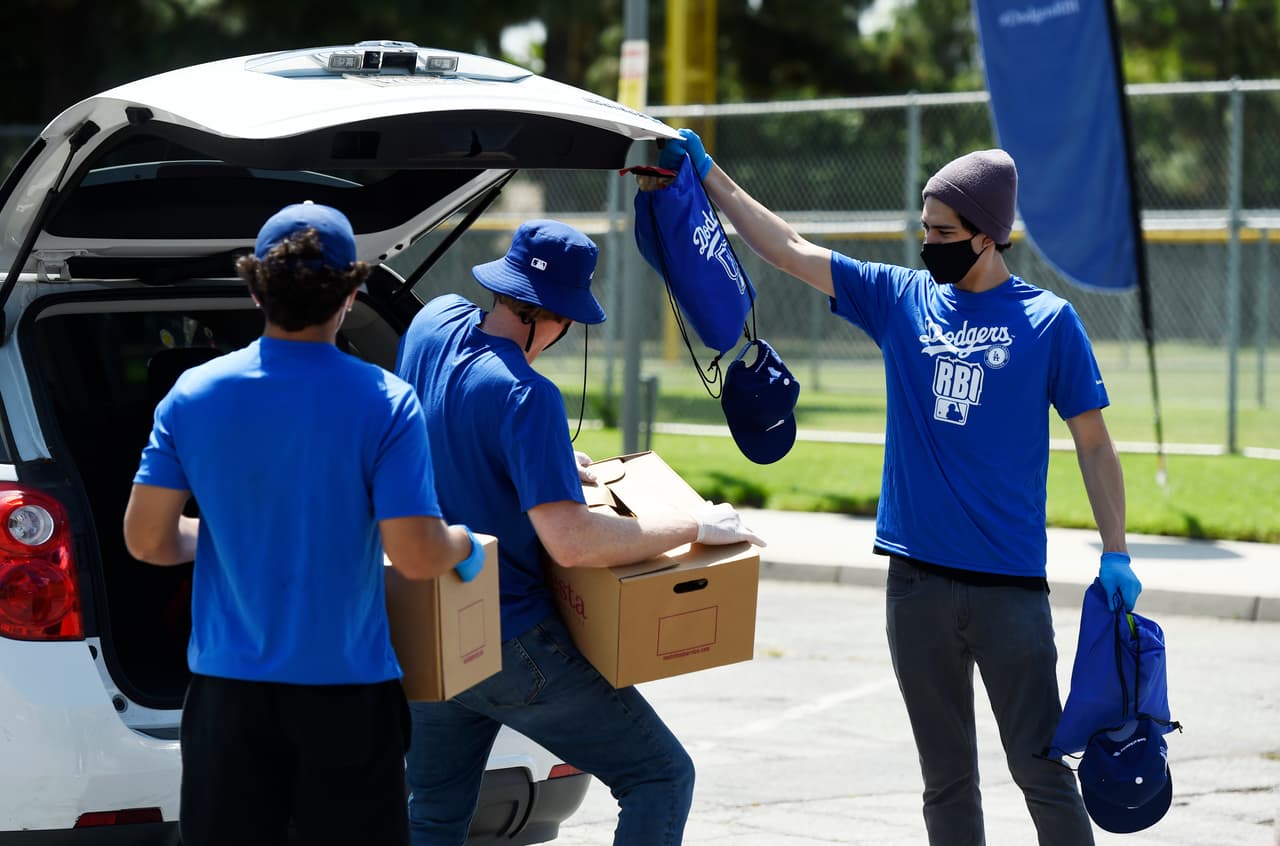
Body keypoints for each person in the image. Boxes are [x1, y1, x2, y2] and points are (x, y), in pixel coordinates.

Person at [654, 131, 1142, 846]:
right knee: (946, 783)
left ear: (988, 237)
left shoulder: (1048, 323)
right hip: (915, 587)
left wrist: (1117, 551)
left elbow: (1094, 444)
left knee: (1040, 769)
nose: (927, 244)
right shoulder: (900, 299)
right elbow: (788, 248)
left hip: (1009, 591)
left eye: (943, 232)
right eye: (924, 229)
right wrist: (709, 176)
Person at [395, 218, 766, 846]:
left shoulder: (433, 323)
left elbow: (444, 423)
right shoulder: (526, 395)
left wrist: (544, 463)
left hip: (432, 625)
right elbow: (572, 542)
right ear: (555, 318)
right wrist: (695, 524)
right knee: (660, 776)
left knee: (433, 811)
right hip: (509, 641)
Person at [123, 202, 482, 846]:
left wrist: (232, 538)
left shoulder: (193, 393)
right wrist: (465, 544)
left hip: (227, 696)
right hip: (346, 695)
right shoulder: (385, 400)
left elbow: (147, 540)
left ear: (254, 284)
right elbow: (418, 554)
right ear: (350, 291)